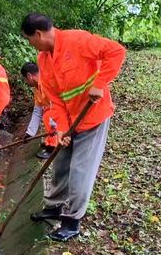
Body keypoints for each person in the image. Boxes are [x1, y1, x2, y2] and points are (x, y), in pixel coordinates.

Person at [20, 13, 126, 241]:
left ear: (38, 34)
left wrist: (100, 83)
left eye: (29, 39)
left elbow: (116, 51)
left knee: (80, 170)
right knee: (61, 164)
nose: (31, 44)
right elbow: (54, 99)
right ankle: (53, 207)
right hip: (69, 119)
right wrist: (61, 130)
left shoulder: (77, 40)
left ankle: (71, 221)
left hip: (92, 116)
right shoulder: (43, 60)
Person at [20, 62, 58, 160]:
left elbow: (57, 104)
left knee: (48, 115)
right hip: (54, 114)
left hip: (62, 113)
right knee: (46, 113)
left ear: (29, 76)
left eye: (25, 79)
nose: (26, 82)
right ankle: (50, 142)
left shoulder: (47, 83)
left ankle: (53, 148)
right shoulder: (37, 89)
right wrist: (30, 133)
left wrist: (54, 125)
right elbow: (37, 111)